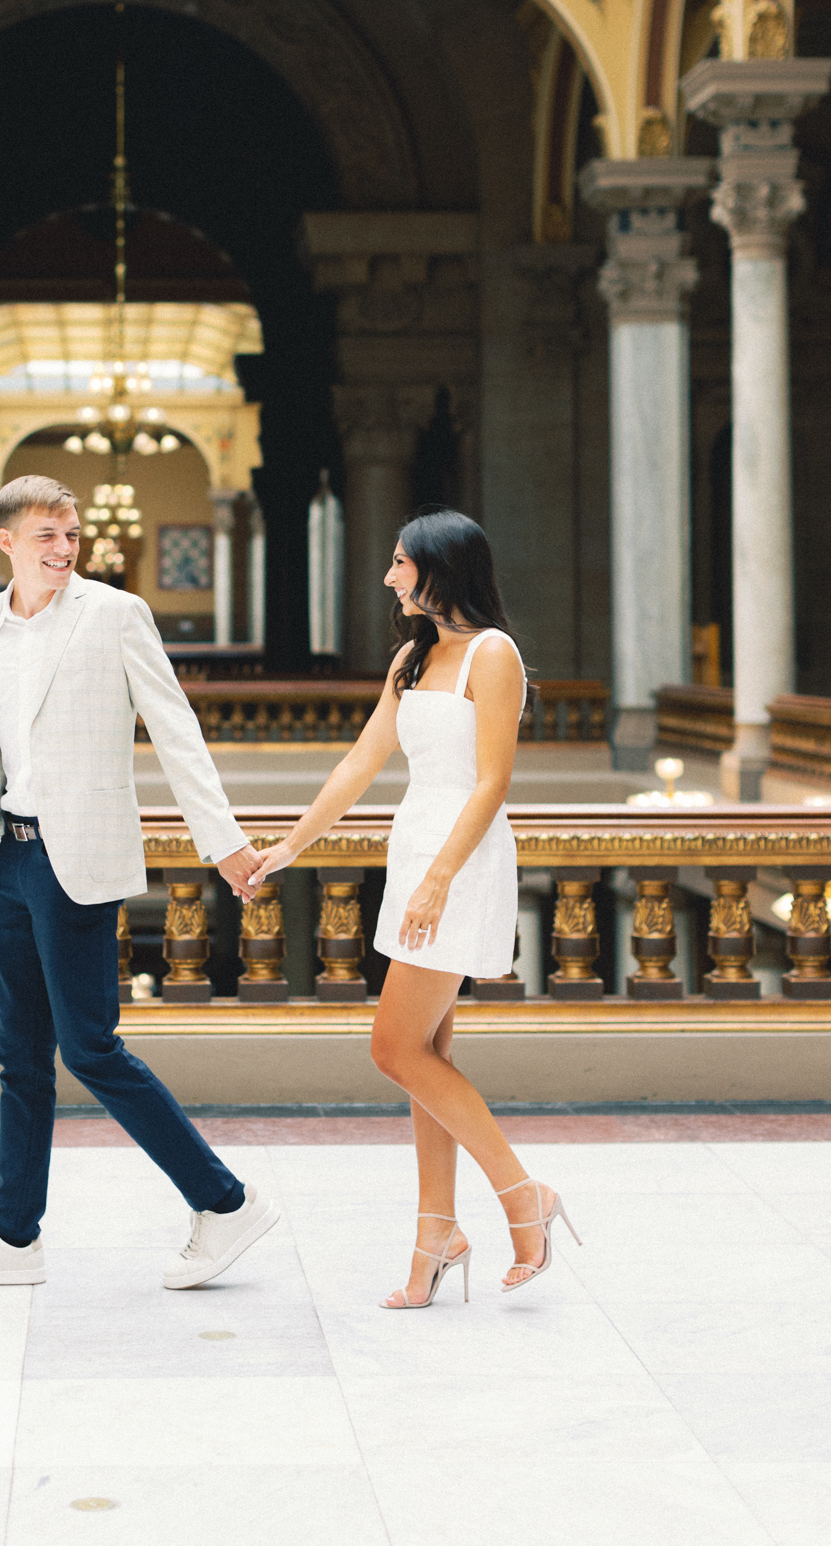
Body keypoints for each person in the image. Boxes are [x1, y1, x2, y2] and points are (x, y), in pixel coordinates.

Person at [0, 473, 278, 1292]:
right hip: (7, 855)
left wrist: (221, 842)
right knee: (19, 1055)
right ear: (4, 540)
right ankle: (12, 1239)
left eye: (69, 534)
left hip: (76, 857)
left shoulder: (115, 615)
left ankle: (224, 1203)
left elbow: (175, 729)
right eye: (45, 535)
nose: (63, 548)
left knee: (89, 1047)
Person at [247, 507, 580, 1306]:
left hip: (458, 858)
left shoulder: (493, 654)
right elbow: (361, 762)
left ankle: (521, 1196)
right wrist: (286, 849)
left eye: (400, 561)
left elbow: (493, 781)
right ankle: (435, 1231)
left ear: (438, 568)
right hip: (414, 847)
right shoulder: (411, 656)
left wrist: (437, 878)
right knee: (426, 1059)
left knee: (392, 1048)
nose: (390, 575)